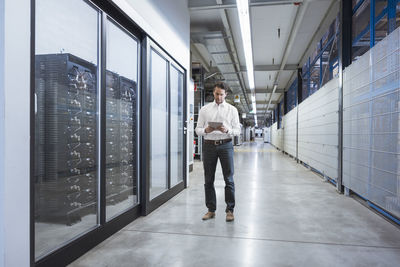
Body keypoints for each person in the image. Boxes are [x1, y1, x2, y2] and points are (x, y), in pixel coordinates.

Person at [195, 82, 240, 222]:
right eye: (216, 94)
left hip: (226, 145)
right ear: (213, 93)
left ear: (226, 94)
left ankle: (230, 210)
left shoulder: (232, 110)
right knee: (208, 179)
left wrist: (227, 130)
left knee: (229, 179)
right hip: (209, 146)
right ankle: (211, 210)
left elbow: (237, 130)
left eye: (221, 94)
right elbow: (198, 129)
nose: (219, 97)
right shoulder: (205, 109)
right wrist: (206, 131)